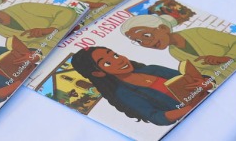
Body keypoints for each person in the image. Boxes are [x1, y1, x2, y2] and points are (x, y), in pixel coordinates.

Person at [66, 45, 208, 125]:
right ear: (99, 73)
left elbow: (187, 77)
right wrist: (186, 109)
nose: (120, 61)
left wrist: (205, 82)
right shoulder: (124, 93)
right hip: (194, 119)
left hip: (209, 98)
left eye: (115, 55)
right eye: (107, 63)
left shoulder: (152, 69)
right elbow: (156, 116)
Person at [118, 14, 236, 78]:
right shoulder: (175, 52)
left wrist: (227, 57)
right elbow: (205, 70)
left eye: (146, 36)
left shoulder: (198, 32)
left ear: (163, 28)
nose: (145, 43)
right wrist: (205, 80)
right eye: (138, 41)